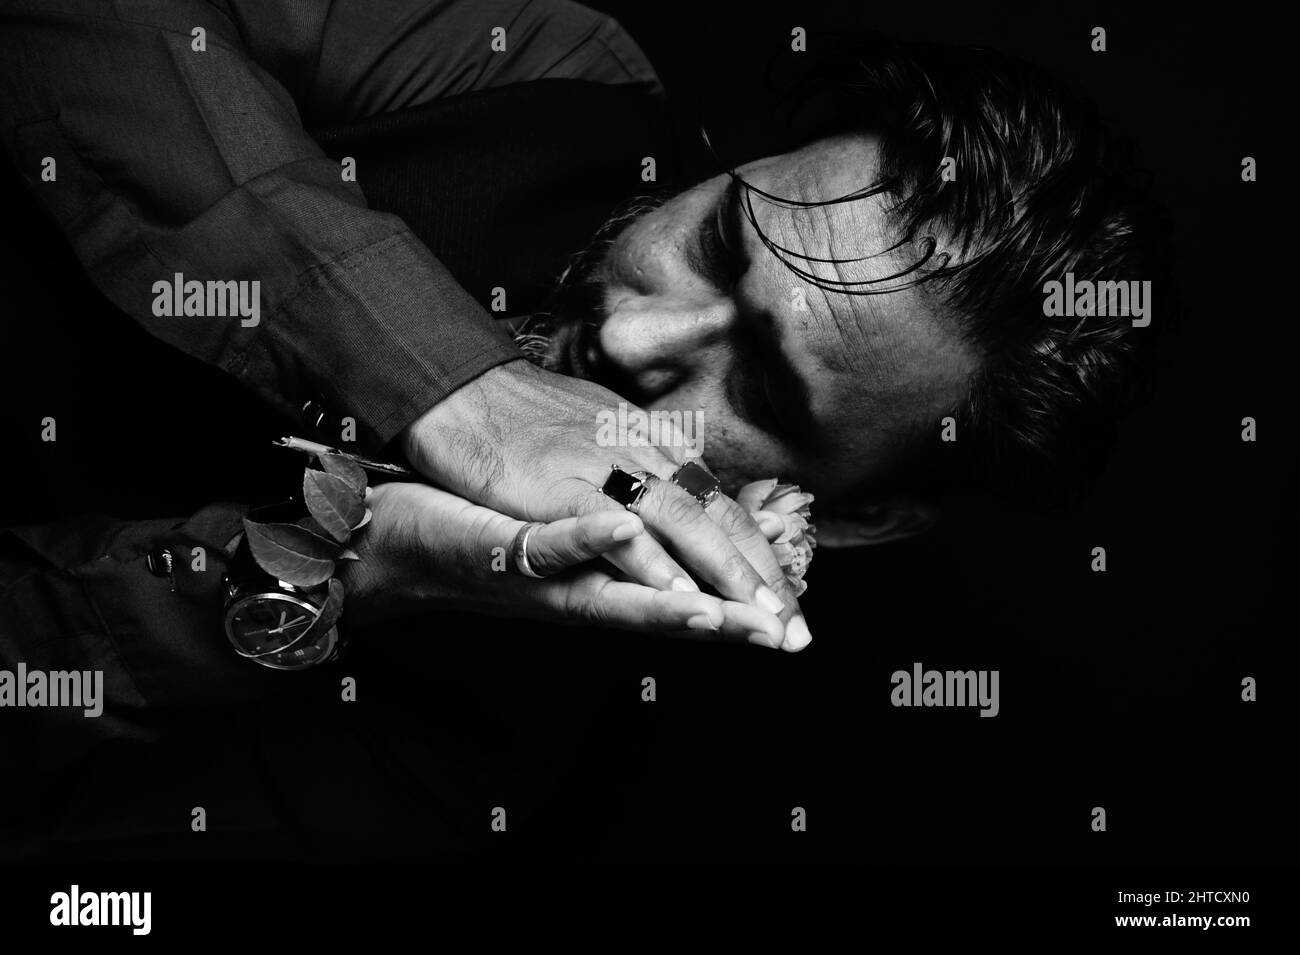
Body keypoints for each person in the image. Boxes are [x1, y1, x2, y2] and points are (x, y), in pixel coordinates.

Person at [0, 1, 1158, 752]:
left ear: (850, 516)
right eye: (712, 244)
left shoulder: (487, 775)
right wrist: (455, 386)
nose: (637, 343)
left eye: (758, 387)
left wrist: (363, 581)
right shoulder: (542, 69)